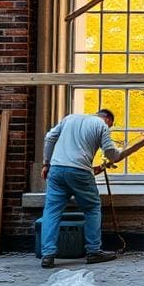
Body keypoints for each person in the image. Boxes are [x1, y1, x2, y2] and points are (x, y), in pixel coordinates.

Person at [39, 109, 122, 268]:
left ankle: (47, 255)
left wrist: (46, 163)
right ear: (108, 120)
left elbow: (49, 137)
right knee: (92, 208)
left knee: (52, 211)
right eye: (110, 126)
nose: (109, 128)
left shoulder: (69, 118)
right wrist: (117, 155)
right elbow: (110, 152)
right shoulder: (101, 125)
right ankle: (93, 251)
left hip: (56, 170)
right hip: (79, 171)